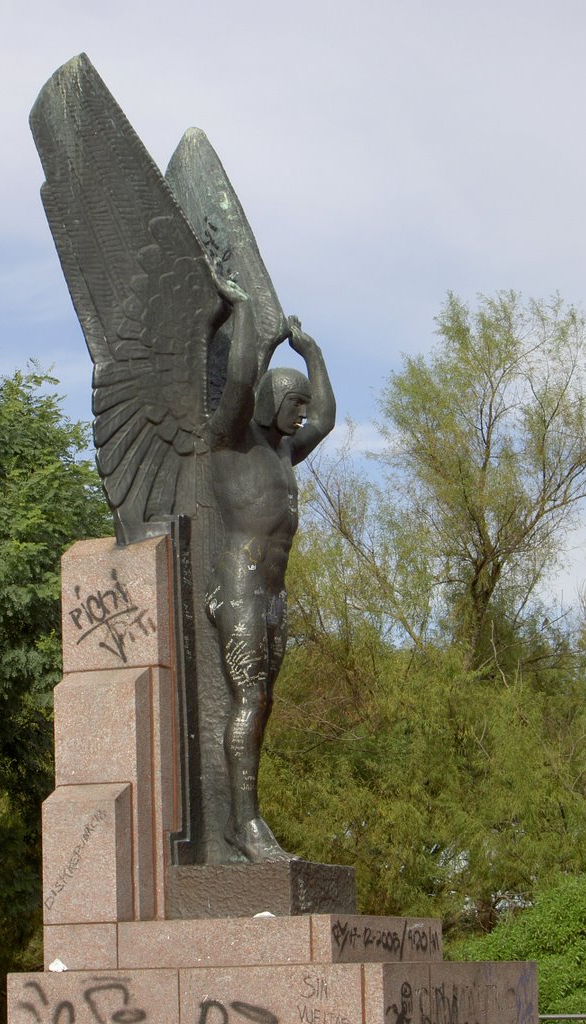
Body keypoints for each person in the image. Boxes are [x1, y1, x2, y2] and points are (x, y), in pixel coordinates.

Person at [205, 278, 336, 861]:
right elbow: (236, 381)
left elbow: (328, 420)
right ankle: (244, 825)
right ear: (270, 402)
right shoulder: (232, 440)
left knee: (265, 704)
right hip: (239, 587)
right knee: (251, 700)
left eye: (301, 407)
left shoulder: (286, 450)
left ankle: (249, 818)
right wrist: (243, 311)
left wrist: (310, 353)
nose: (301, 415)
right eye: (293, 404)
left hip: (274, 593)